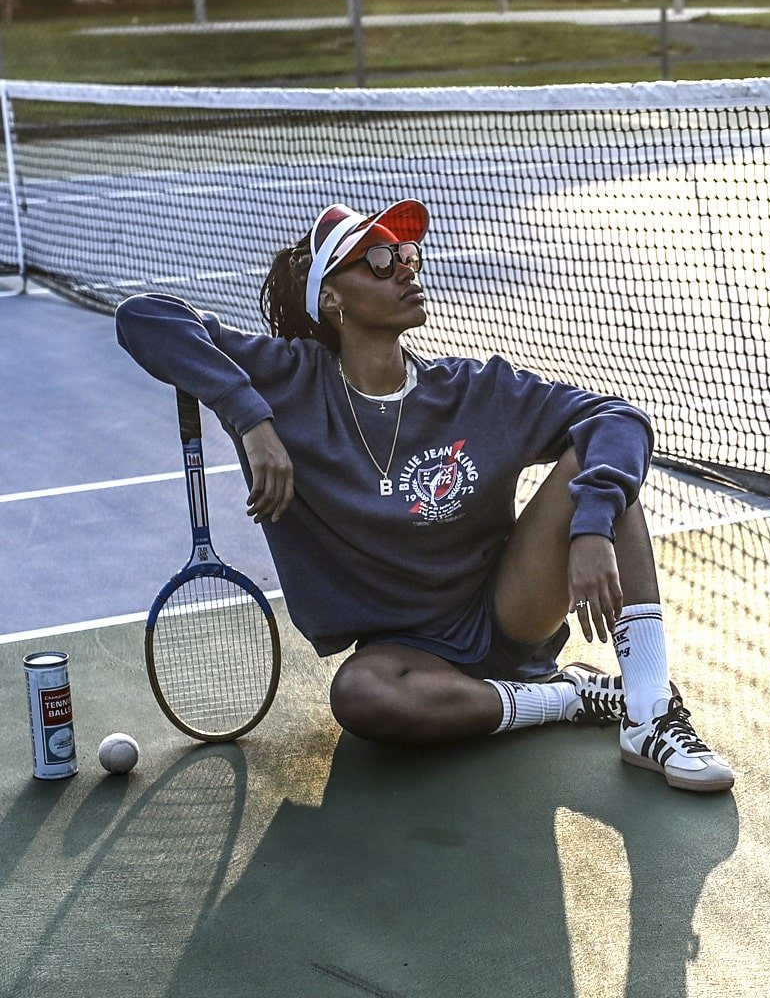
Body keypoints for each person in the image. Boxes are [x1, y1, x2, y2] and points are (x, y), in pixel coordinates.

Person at [115, 201, 734, 792]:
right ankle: (564, 698)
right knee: (357, 696)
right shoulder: (289, 381)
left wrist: (593, 523)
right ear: (332, 298)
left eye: (408, 255)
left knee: (597, 459)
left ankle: (650, 713)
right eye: (378, 261)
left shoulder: (473, 391)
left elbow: (617, 418)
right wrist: (250, 417)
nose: (405, 268)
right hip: (405, 656)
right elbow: (143, 317)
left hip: (508, 615)